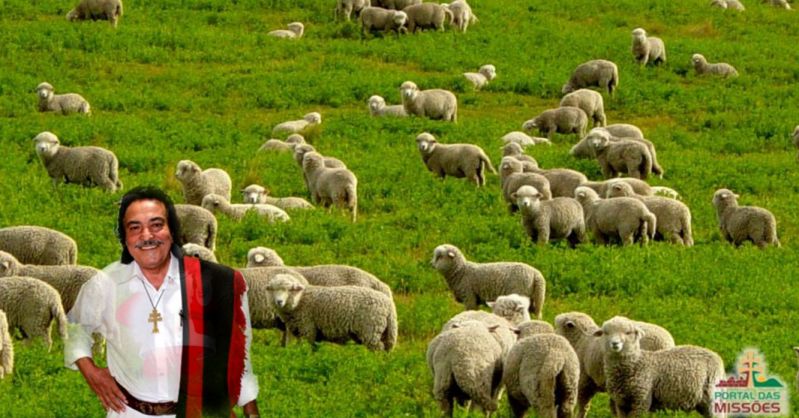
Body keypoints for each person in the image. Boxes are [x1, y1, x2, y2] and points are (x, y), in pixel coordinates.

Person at [65, 186, 260, 418]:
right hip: (128, 412)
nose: (146, 236)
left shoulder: (211, 282)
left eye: (156, 225)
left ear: (172, 231)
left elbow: (239, 354)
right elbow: (75, 329)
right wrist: (91, 371)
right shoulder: (106, 283)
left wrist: (251, 411)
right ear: (124, 237)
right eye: (135, 228)